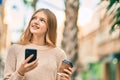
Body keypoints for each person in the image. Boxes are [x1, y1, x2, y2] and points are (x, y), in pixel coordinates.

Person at [3, 8, 73, 80]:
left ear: (50, 27)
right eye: (34, 18)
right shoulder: (15, 49)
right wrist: (20, 72)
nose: (36, 22)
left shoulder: (58, 54)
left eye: (42, 20)